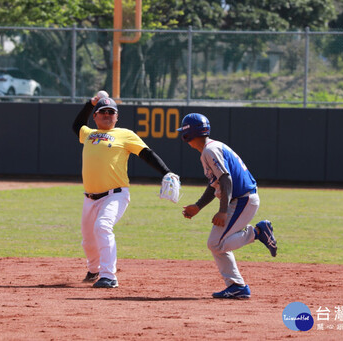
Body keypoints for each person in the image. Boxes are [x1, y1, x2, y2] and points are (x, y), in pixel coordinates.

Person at [72, 92, 176, 289]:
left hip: (115, 194)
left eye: (112, 112)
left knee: (103, 227)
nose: (107, 115)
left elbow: (146, 154)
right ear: (95, 116)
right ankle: (94, 270)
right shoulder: (89, 134)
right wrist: (90, 103)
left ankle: (109, 276)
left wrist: (166, 172)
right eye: (102, 111)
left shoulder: (125, 134)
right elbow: (76, 125)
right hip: (90, 198)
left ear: (117, 117)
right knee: (88, 241)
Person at [178, 113, 277, 299]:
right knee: (216, 243)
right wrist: (198, 206)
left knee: (216, 243)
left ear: (187, 135)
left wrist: (222, 211)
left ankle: (257, 232)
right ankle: (237, 286)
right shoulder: (212, 148)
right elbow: (216, 183)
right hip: (240, 200)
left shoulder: (209, 151)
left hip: (242, 200)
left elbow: (226, 180)